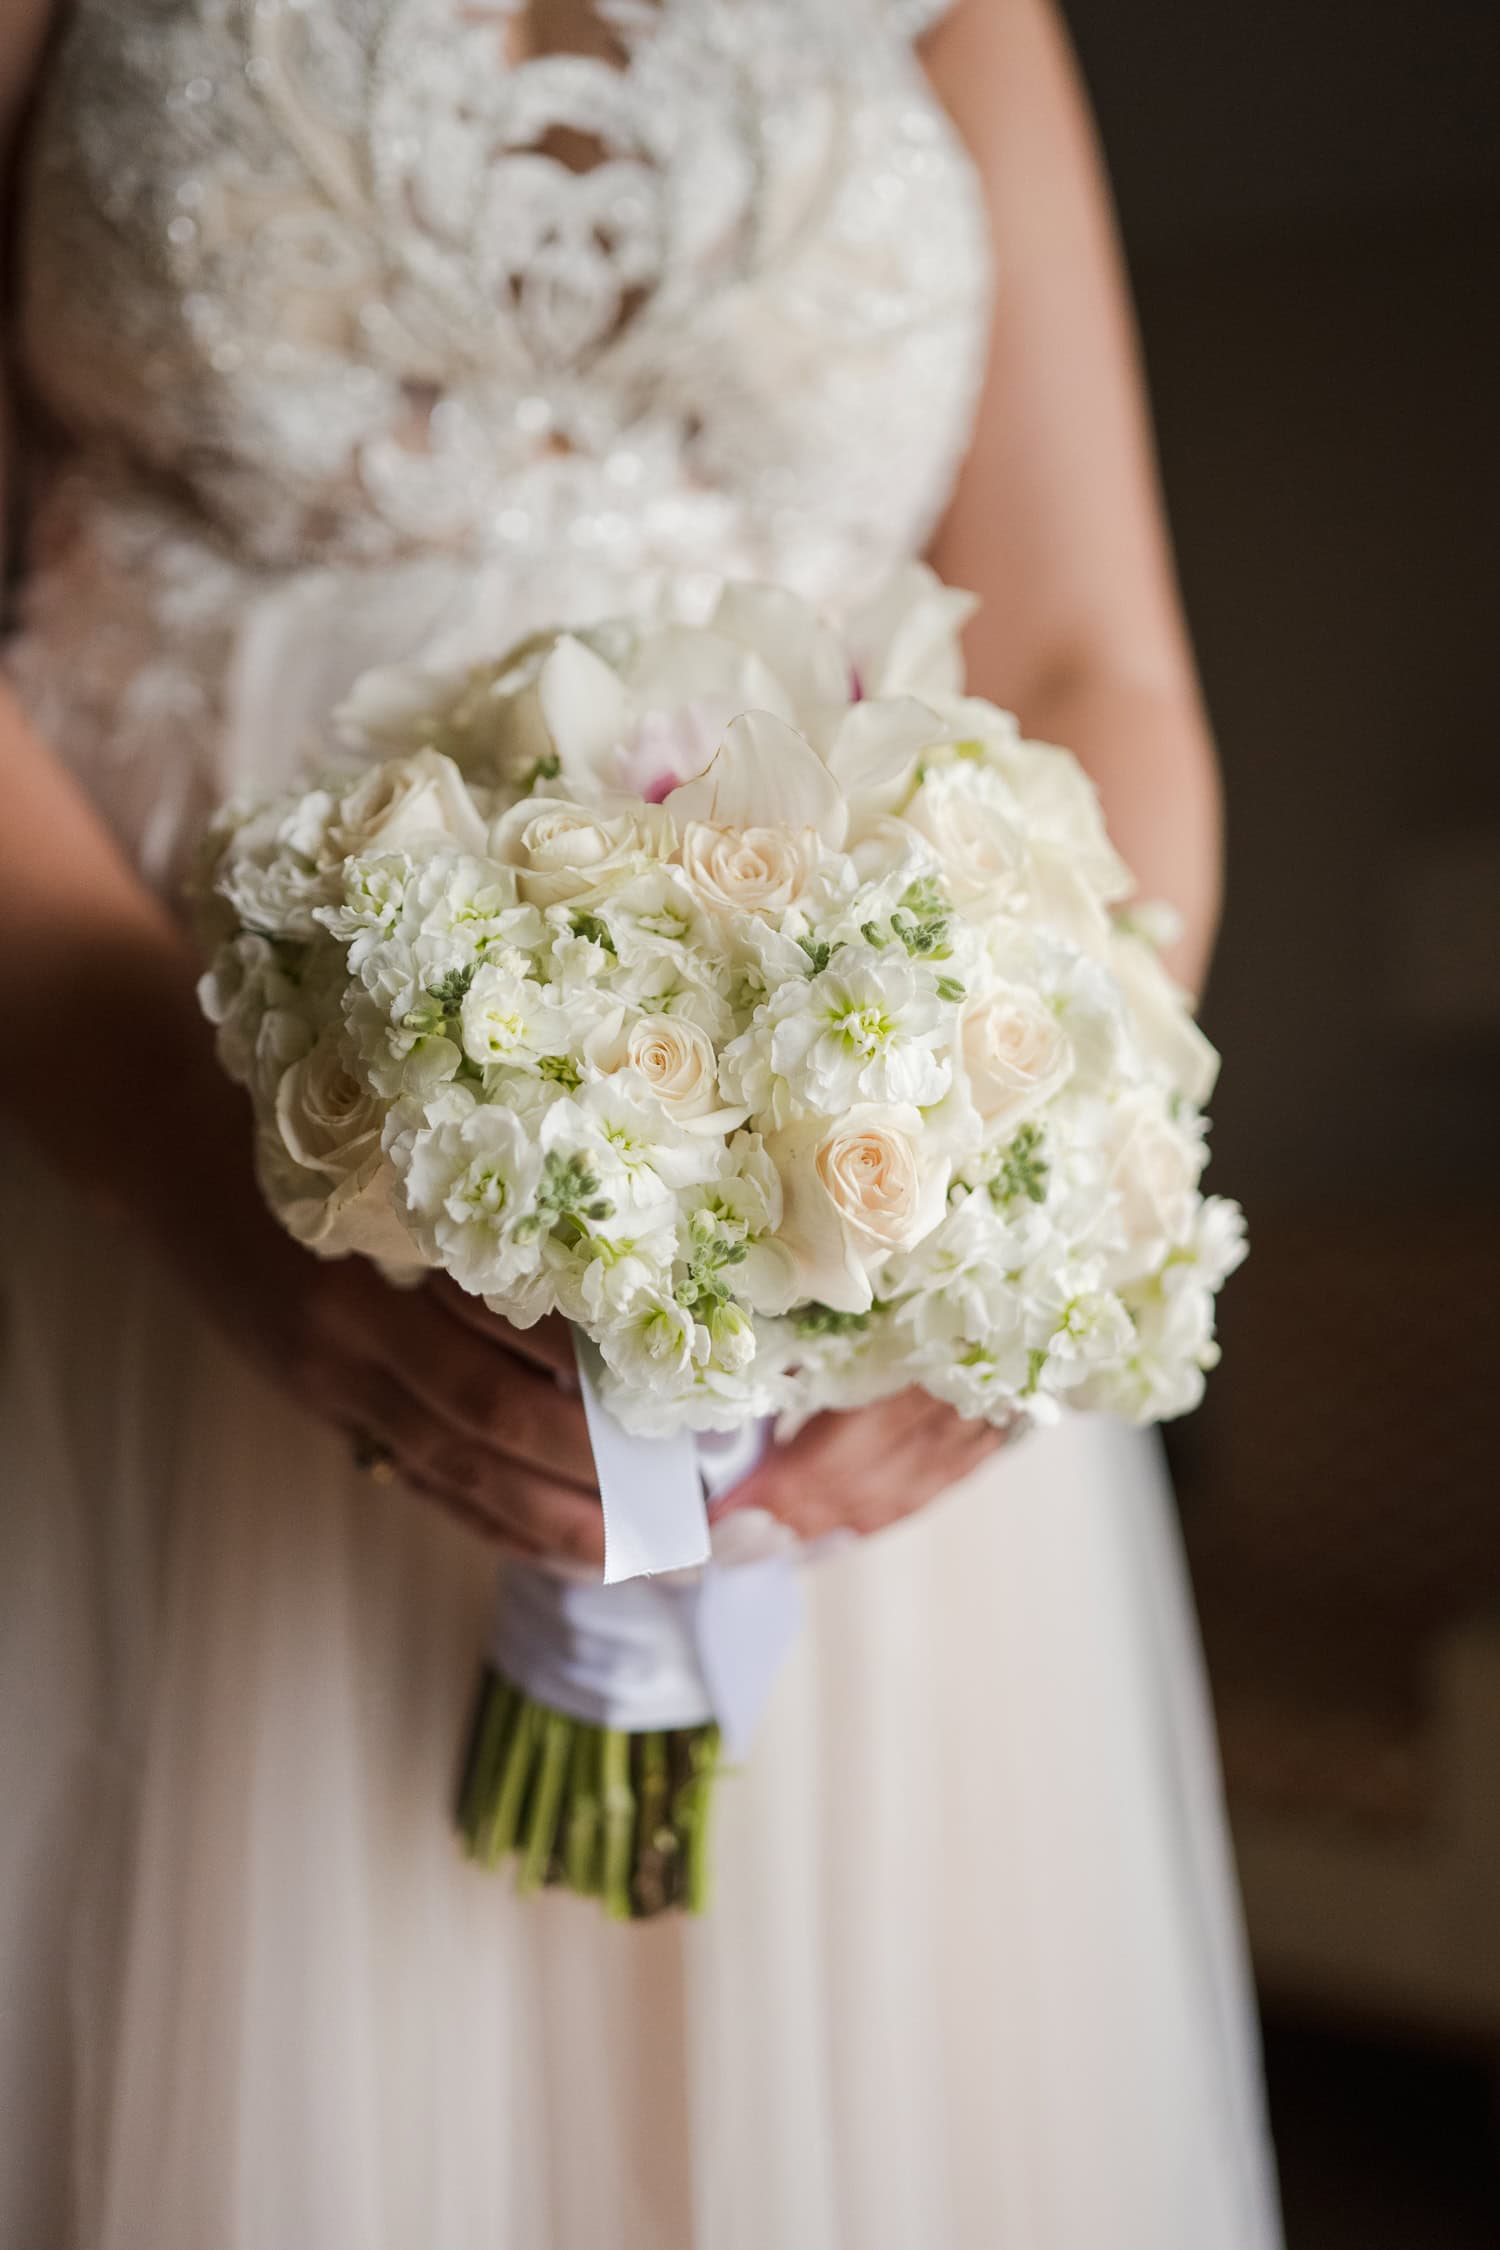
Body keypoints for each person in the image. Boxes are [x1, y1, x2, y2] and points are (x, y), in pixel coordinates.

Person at [0, 2, 1282, 2244]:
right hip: (164, 1200)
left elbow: (1097, 664)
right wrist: (202, 1166)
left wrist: (1026, 1187)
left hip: (857, 1235)